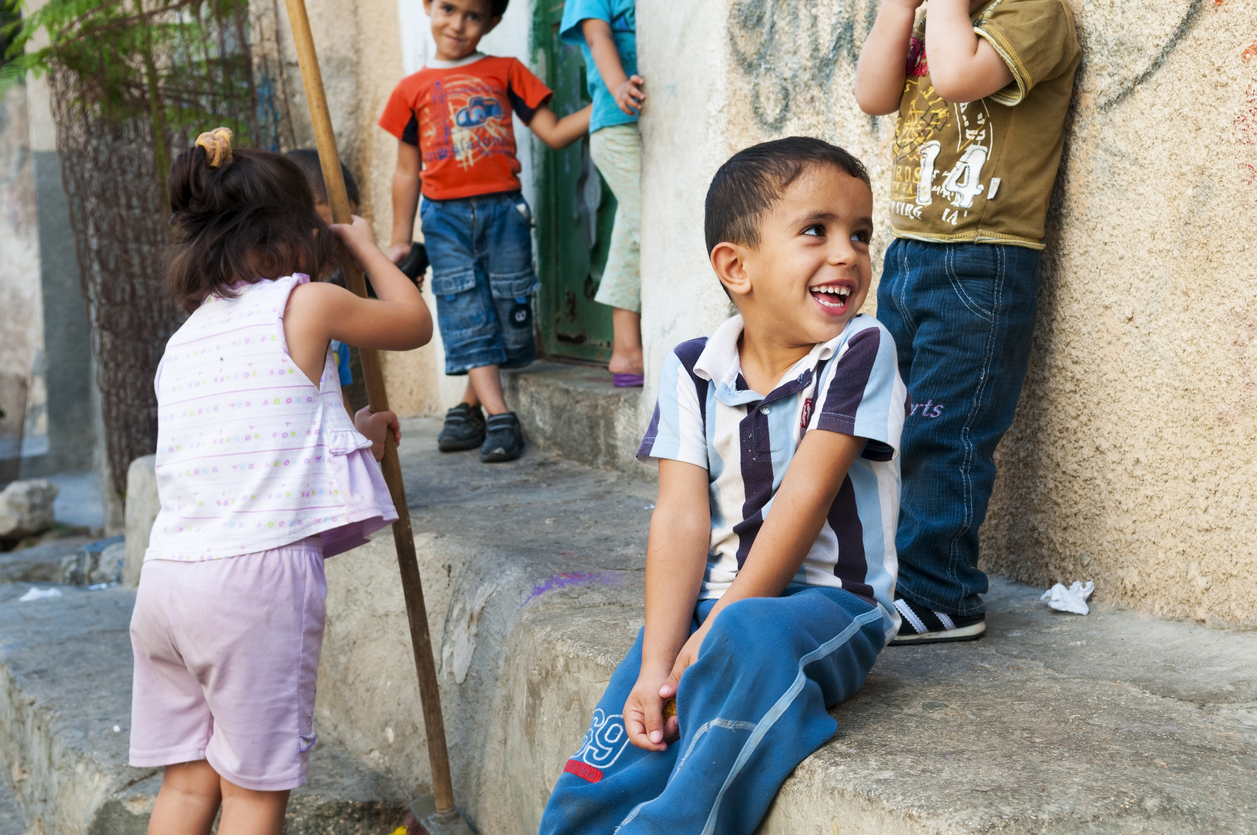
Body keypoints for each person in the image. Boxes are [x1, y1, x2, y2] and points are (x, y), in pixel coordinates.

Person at [539, 137, 907, 835]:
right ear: (735, 265)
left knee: (738, 645)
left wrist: (709, 632)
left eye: (859, 234)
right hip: (718, 601)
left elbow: (803, 501)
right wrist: (659, 655)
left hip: (835, 604)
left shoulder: (860, 348)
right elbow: (679, 518)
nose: (847, 254)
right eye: (816, 231)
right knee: (633, 724)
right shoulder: (691, 367)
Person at [128, 128, 432, 835]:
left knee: (186, 785)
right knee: (253, 793)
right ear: (299, 231)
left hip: (169, 582)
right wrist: (363, 245)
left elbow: (254, 450)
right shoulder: (307, 303)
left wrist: (355, 434)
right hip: (251, 589)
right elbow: (412, 322)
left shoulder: (185, 342)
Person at [854, 0, 1080, 643]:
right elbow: (874, 94)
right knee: (888, 424)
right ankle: (885, 578)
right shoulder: (933, 21)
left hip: (984, 260)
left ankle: (941, 593)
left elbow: (957, 78)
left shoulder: (1032, 13)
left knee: (945, 431)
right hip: (910, 254)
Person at [380, 0, 591, 462]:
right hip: (444, 219)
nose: (457, 24)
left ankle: (466, 406)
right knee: (462, 304)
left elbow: (552, 132)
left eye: (473, 15)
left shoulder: (507, 71)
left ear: (493, 22)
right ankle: (500, 416)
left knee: (507, 305)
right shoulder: (409, 90)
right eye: (449, 9)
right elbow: (405, 172)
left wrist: (609, 106)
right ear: (428, 6)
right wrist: (400, 239)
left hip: (504, 213)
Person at [559, 0, 644, 386]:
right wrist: (618, 86)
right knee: (652, 226)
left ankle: (626, 352)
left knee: (632, 232)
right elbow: (597, 35)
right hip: (616, 126)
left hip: (644, 122)